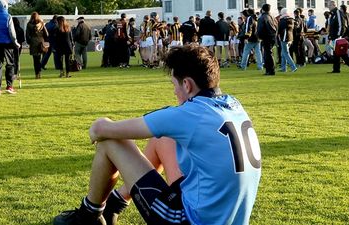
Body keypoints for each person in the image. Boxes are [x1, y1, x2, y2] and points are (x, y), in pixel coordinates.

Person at [53, 44, 262, 225]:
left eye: (174, 85)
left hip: (187, 220)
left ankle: (89, 214)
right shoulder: (234, 104)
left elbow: (101, 130)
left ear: (187, 84)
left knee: (110, 143)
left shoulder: (190, 114)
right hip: (226, 216)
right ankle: (114, 205)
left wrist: (98, 126)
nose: (174, 92)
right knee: (162, 138)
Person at [327, 0, 349, 73]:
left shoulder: (337, 13)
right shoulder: (333, 14)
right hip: (334, 37)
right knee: (337, 54)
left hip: (337, 37)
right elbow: (332, 27)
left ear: (333, 5)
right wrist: (330, 36)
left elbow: (341, 25)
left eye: (329, 6)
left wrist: (339, 35)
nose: (328, 7)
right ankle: (337, 69)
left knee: (341, 53)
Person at [26, 12, 48, 79]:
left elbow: (27, 35)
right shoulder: (41, 24)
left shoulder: (29, 25)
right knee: (40, 58)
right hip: (40, 42)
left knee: (35, 60)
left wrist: (29, 42)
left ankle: (36, 74)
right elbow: (46, 34)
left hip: (33, 42)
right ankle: (39, 73)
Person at [257, 4, 277, 75]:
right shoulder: (272, 16)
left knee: (267, 54)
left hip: (266, 37)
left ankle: (270, 70)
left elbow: (260, 29)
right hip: (272, 37)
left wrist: (259, 37)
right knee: (269, 53)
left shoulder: (262, 17)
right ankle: (270, 70)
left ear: (262, 9)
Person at [278, 8, 297, 73]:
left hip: (284, 38)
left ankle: (293, 67)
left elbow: (280, 29)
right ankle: (283, 68)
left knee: (285, 53)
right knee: (283, 53)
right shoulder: (291, 20)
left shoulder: (283, 20)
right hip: (290, 38)